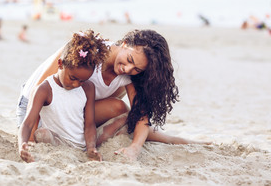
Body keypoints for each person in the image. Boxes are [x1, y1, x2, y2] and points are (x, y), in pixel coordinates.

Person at [18, 29, 208, 161]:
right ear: (125, 44)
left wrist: (134, 149)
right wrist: (30, 141)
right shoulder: (88, 52)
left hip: (73, 114)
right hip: (37, 109)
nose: (128, 69)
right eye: (129, 60)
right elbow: (39, 89)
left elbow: (141, 116)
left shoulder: (130, 76)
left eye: (136, 69)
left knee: (125, 113)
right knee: (120, 109)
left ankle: (175, 140)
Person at [18, 30, 109, 163]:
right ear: (60, 64)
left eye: (82, 81)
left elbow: (89, 124)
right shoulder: (45, 89)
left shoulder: (88, 88)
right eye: (72, 78)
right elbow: (28, 122)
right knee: (42, 134)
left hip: (81, 145)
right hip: (57, 141)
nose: (76, 84)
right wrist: (22, 144)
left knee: (120, 122)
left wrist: (91, 148)